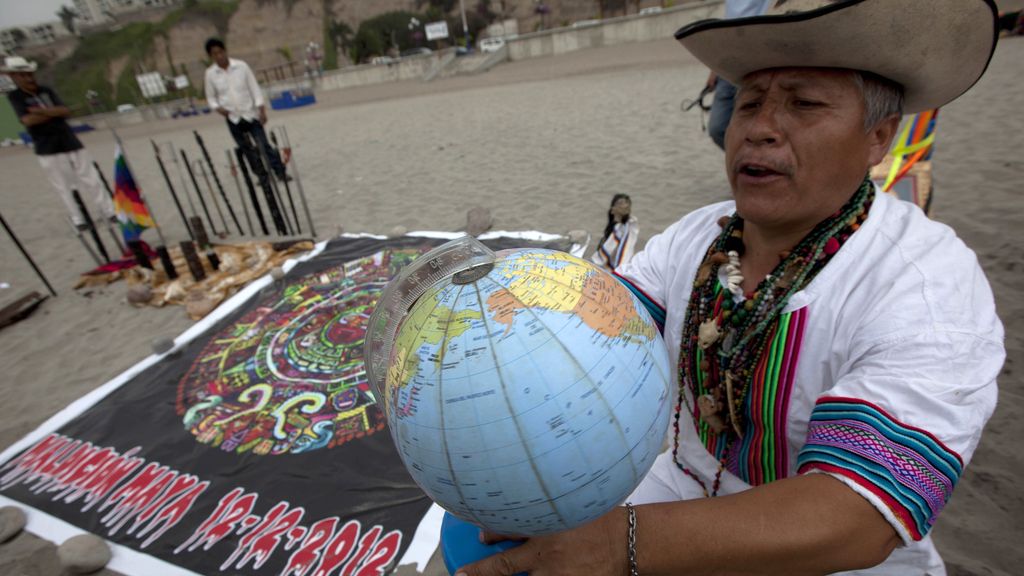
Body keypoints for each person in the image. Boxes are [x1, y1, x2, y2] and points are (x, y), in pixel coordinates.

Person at [457, 1, 1004, 575]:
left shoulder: (927, 285)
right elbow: (598, 333)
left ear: (879, 137)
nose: (759, 129)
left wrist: (618, 543)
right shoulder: (696, 238)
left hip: (835, 555)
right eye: (748, 103)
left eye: (804, 103)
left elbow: (858, 512)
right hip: (679, 490)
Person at [3, 56, 114, 231]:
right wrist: (51, 113)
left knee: (91, 177)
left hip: (69, 140)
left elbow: (64, 110)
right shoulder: (15, 96)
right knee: (64, 185)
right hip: (47, 146)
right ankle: (79, 218)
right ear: (14, 77)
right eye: (22, 75)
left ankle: (109, 211)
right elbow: (28, 120)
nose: (27, 78)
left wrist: (42, 111)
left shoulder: (46, 91)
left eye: (28, 74)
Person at [202, 38, 288, 184]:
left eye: (220, 52)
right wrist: (220, 110)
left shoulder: (241, 66)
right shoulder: (210, 74)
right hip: (233, 118)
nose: (219, 56)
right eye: (214, 54)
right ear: (211, 56)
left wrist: (262, 109)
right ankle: (262, 176)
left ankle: (280, 172)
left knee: (263, 145)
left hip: (250, 114)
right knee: (247, 149)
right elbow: (211, 99)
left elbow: (254, 88)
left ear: (225, 51)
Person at [705, 0, 771, 149]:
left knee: (758, 126)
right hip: (730, 59)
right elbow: (730, 20)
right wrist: (714, 68)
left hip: (760, 60)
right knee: (718, 128)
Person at [591, 193, 639, 272]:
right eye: (621, 203)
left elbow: (626, 252)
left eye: (627, 203)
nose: (625, 205)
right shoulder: (614, 230)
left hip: (618, 270)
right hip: (605, 270)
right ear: (612, 209)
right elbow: (604, 252)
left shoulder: (628, 229)